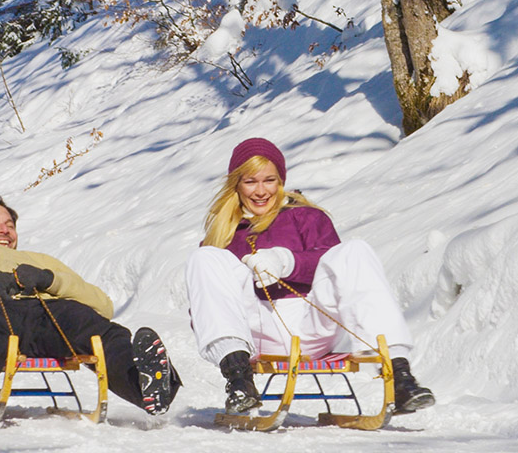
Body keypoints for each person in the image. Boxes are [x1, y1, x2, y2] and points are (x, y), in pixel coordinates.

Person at [184, 137, 434, 414]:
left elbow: (336, 266)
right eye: (250, 181)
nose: (261, 191)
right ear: (237, 184)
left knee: (354, 251)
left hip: (313, 323)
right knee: (204, 257)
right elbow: (206, 305)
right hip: (257, 330)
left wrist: (286, 261)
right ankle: (239, 382)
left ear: (280, 180)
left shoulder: (305, 217)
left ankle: (400, 374)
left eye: (269, 180)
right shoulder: (224, 232)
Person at [0, 192, 179, 427]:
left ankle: (149, 388)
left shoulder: (40, 261)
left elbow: (103, 305)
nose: (4, 230)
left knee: (100, 330)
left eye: (9, 224)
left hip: (50, 314)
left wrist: (50, 279)